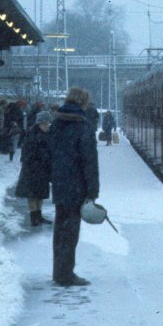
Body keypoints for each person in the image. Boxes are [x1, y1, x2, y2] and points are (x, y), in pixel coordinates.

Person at [49, 87, 100, 287]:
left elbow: (49, 153)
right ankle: (66, 275)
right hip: (77, 185)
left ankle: (58, 272)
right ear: (83, 102)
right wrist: (93, 190)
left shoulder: (56, 123)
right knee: (71, 231)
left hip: (60, 184)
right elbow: (89, 161)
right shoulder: (82, 126)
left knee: (60, 229)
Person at [15, 110, 53, 226]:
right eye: (45, 124)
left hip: (42, 170)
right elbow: (28, 154)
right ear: (39, 123)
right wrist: (42, 157)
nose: (47, 126)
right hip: (32, 170)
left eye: (48, 124)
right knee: (32, 195)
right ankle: (34, 217)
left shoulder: (47, 134)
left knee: (40, 194)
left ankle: (39, 216)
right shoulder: (32, 135)